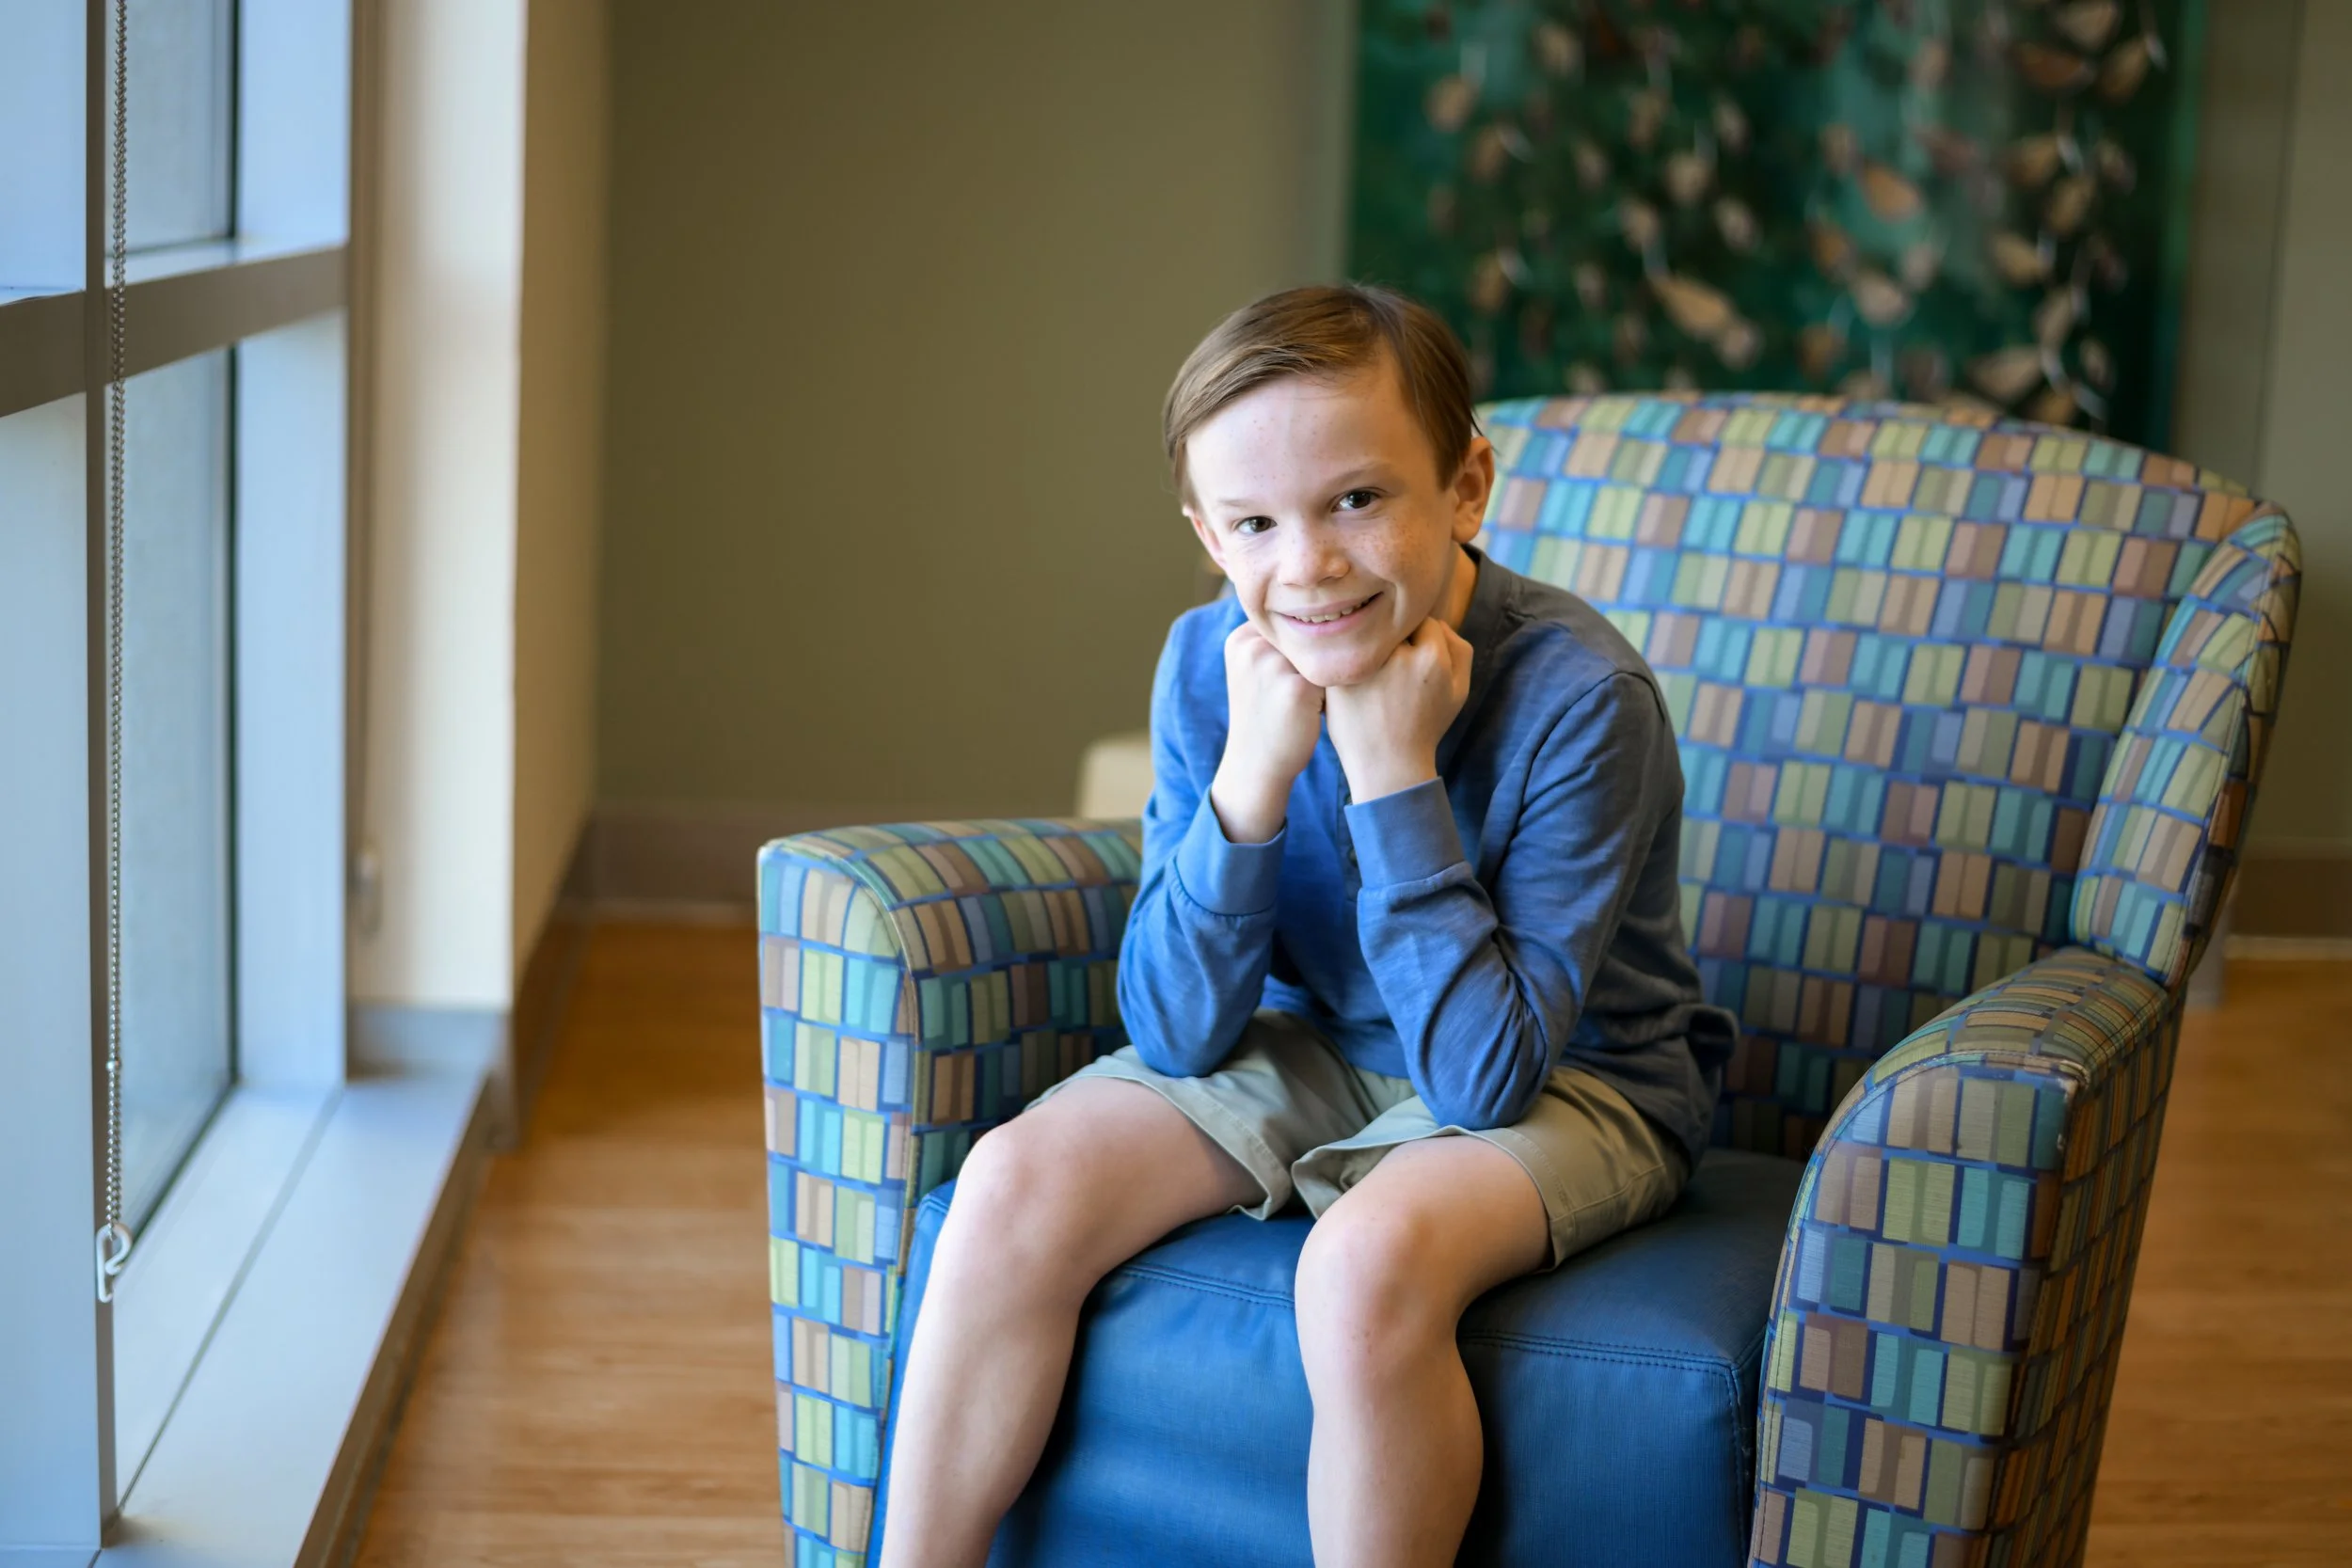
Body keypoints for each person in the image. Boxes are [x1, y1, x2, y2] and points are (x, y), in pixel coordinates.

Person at [875, 283, 1735, 1568]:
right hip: (1311, 1041)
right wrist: (1250, 782)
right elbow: (1177, 1032)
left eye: (1357, 499)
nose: (1309, 565)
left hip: (1576, 1075)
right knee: (1006, 1186)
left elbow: (1485, 1080)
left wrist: (1394, 779)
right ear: (1207, 534)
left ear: (1465, 487)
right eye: (1255, 523)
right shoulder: (1205, 662)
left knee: (1362, 1260)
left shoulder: (1584, 697)